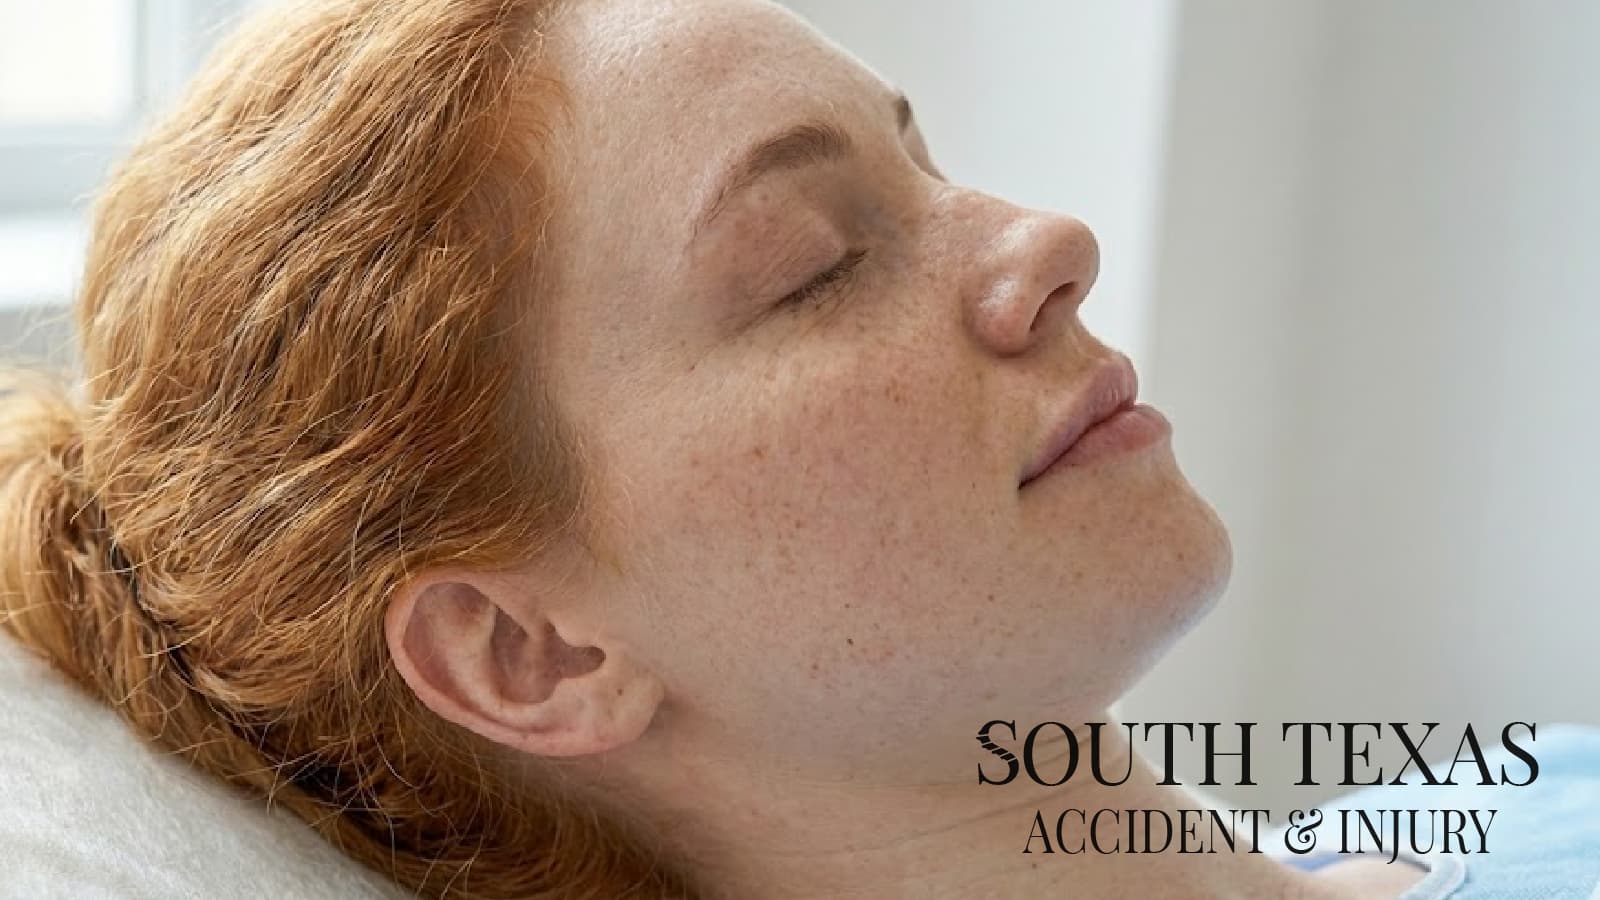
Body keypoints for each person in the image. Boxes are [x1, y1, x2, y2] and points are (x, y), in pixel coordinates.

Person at [2, 0, 1595, 897]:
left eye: (929, 165)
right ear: (527, 650)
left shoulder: (1529, 800)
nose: (1052, 241)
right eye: (816, 262)